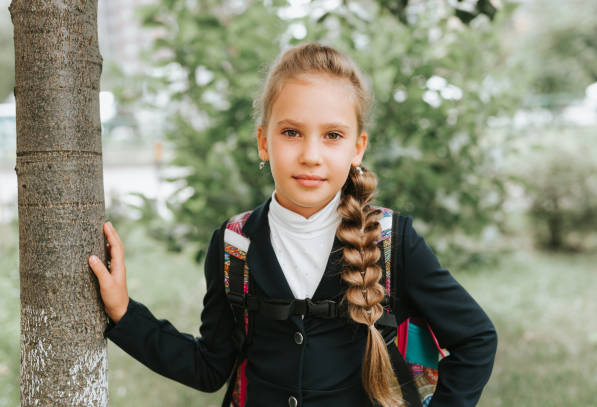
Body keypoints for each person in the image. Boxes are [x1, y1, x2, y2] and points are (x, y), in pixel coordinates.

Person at [89, 42, 497, 407]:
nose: (310, 155)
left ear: (358, 147)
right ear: (264, 141)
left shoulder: (391, 241)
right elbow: (210, 368)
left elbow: (476, 339)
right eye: (291, 132)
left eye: (333, 135)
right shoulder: (234, 246)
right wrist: (125, 313)